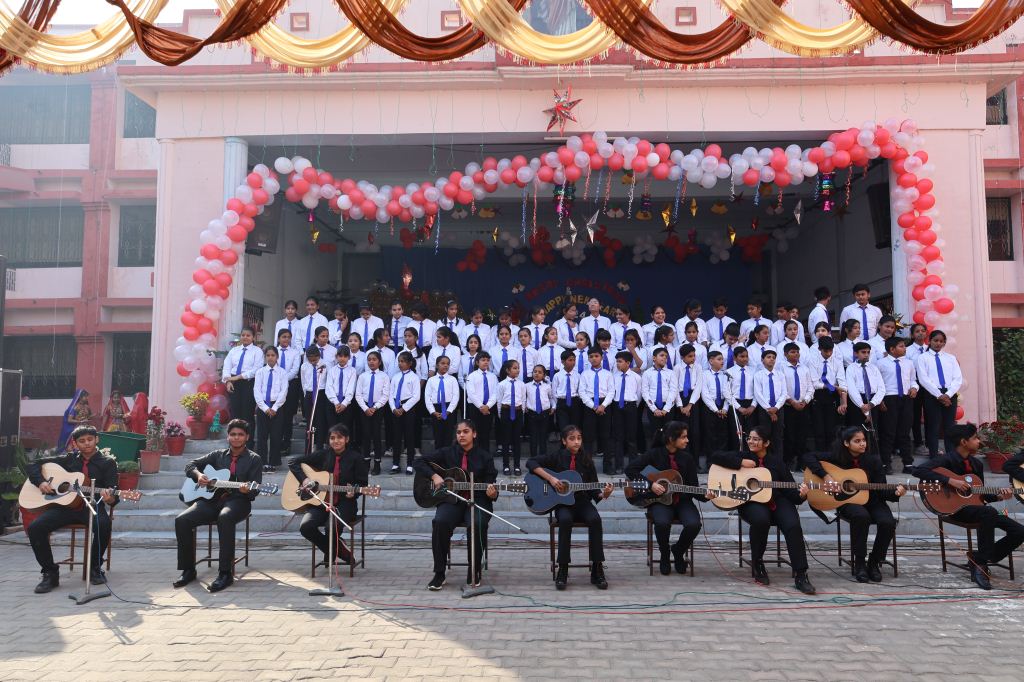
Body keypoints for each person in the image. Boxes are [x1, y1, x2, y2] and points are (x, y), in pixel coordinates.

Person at [914, 423, 1024, 589]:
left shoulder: (976, 464)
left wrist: (999, 496)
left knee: (1020, 531)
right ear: (964, 442)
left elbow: (979, 495)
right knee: (988, 512)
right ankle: (980, 566)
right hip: (954, 509)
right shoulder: (946, 460)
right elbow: (918, 471)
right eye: (975, 438)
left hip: (977, 510)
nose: (979, 441)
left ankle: (980, 557)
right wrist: (950, 481)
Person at [710, 426, 816, 594]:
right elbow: (715, 456)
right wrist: (740, 463)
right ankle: (758, 562)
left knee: (793, 525)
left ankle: (801, 574)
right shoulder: (743, 456)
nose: (751, 442)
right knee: (761, 520)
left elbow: (791, 493)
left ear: (766, 443)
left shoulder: (777, 462)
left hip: (777, 500)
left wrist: (802, 495)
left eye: (756, 439)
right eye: (749, 438)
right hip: (750, 501)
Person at [804, 426, 905, 582]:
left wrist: (896, 493)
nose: (862, 444)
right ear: (846, 443)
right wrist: (825, 476)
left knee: (888, 522)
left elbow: (882, 490)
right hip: (848, 502)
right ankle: (859, 563)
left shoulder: (873, 461)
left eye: (863, 440)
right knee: (861, 516)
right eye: (857, 441)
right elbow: (808, 456)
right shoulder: (836, 457)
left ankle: (874, 562)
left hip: (873, 501)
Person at [173, 419, 262, 592]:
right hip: (211, 500)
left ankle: (225, 573)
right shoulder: (217, 455)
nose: (236, 438)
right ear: (228, 436)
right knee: (182, 520)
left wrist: (246, 490)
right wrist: (199, 475)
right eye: (233, 434)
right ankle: (188, 570)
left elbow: (254, 491)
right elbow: (190, 465)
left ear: (247, 437)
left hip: (238, 502)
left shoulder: (254, 459)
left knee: (225, 517)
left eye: (240, 435)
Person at [26, 425, 117, 592]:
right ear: (75, 443)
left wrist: (110, 497)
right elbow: (33, 464)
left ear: (97, 439)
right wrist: (41, 482)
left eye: (90, 439)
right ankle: (50, 573)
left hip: (91, 506)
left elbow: (113, 493)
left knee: (104, 524)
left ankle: (94, 568)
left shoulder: (108, 463)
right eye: (82, 441)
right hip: (64, 507)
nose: (87, 443)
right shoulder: (69, 459)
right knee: (35, 527)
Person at [415, 419, 498, 589]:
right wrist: (434, 476)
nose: (461, 435)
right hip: (451, 500)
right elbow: (418, 462)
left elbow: (491, 486)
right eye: (459, 432)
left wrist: (493, 493)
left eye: (466, 431)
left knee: (477, 524)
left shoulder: (485, 457)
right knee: (440, 522)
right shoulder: (447, 453)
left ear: (474, 434)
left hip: (478, 500)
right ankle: (439, 573)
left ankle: (474, 570)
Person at [527, 425, 612, 590]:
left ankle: (597, 568)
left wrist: (605, 494)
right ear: (564, 441)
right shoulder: (556, 457)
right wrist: (551, 479)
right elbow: (531, 462)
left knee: (595, 519)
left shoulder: (587, 460)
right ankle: (563, 568)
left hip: (582, 502)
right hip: (562, 504)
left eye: (579, 438)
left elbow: (595, 491)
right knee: (565, 520)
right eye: (572, 438)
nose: (576, 442)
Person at [625, 421, 702, 576]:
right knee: (661, 523)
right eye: (683, 437)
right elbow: (630, 469)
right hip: (659, 500)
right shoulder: (654, 454)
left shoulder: (687, 458)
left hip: (682, 501)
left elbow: (694, 486)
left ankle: (678, 550)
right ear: (671, 439)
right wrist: (651, 484)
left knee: (694, 524)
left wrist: (707, 495)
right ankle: (664, 553)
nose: (687, 440)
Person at [289, 423, 367, 565]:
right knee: (305, 527)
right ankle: (336, 549)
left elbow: (362, 484)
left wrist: (353, 493)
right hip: (320, 502)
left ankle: (332, 550)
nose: (336, 441)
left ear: (347, 439)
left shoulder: (356, 458)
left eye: (340, 437)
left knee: (331, 526)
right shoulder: (323, 455)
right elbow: (293, 462)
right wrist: (304, 479)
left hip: (345, 503)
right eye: (332, 438)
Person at [915, 330, 963, 457]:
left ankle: (951, 455)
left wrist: (948, 394)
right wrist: (939, 395)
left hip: (949, 394)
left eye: (941, 341)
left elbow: (957, 378)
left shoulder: (951, 358)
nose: (938, 343)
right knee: (933, 425)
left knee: (949, 426)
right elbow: (923, 379)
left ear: (944, 343)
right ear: (929, 341)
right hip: (932, 394)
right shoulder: (922, 358)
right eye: (935, 340)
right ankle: (934, 456)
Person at [877, 337, 918, 473]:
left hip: (906, 399)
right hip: (889, 398)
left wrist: (914, 388)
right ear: (892, 349)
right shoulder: (880, 363)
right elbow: (877, 383)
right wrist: (880, 400)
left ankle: (908, 464)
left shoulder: (909, 363)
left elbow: (913, 380)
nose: (905, 348)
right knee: (888, 432)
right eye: (901, 346)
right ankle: (886, 463)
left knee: (904, 432)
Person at [804, 336, 848, 451]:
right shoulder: (813, 361)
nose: (828, 354)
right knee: (819, 430)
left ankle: (831, 455)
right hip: (818, 395)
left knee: (831, 429)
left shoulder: (837, 362)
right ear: (819, 349)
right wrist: (833, 387)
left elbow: (842, 382)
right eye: (826, 351)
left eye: (830, 351)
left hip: (832, 396)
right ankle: (820, 455)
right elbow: (815, 383)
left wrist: (844, 402)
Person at [222, 328, 262, 443]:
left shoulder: (257, 351)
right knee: (234, 414)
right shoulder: (234, 351)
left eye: (248, 335)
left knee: (247, 414)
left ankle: (248, 444)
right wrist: (228, 381)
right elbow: (227, 367)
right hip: (233, 383)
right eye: (243, 335)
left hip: (248, 383)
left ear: (253, 337)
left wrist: (238, 377)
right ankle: (234, 442)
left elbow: (257, 369)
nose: (245, 337)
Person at [579, 347, 614, 473]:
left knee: (606, 437)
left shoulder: (608, 374)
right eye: (591, 357)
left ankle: (607, 465)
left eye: (596, 356)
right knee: (588, 437)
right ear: (588, 359)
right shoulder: (584, 374)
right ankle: (588, 467)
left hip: (605, 405)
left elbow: (611, 391)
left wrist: (603, 406)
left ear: (602, 357)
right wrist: (594, 406)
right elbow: (582, 392)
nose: (594, 359)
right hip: (590, 406)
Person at [253, 346, 287, 472]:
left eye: (273, 355)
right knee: (262, 435)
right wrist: (265, 408)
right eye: (268, 355)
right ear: (265, 357)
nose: (270, 358)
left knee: (276, 435)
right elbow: (257, 391)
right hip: (263, 407)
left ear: (277, 357)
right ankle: (262, 462)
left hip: (277, 407)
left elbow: (284, 391)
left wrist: (275, 407)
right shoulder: (260, 372)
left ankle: (273, 462)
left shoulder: (282, 372)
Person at [355, 351, 391, 472]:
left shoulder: (384, 376)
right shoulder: (363, 376)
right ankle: (366, 461)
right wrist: (365, 408)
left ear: (379, 362)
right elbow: (358, 394)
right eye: (369, 359)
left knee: (376, 435)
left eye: (374, 359)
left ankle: (377, 462)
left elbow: (385, 395)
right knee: (365, 434)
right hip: (364, 408)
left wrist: (375, 407)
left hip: (378, 408)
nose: (371, 362)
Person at [388, 350, 422, 476]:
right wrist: (393, 408)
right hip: (396, 408)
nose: (400, 364)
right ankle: (395, 464)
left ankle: (410, 464)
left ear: (410, 363)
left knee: (409, 436)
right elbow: (391, 394)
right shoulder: (396, 377)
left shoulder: (414, 377)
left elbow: (416, 396)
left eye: (403, 361)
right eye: (399, 361)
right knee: (396, 436)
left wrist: (404, 408)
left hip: (408, 408)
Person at [781, 343, 813, 470]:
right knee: (789, 435)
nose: (796, 354)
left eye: (797, 352)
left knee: (802, 435)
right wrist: (792, 402)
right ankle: (789, 462)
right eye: (792, 352)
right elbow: (781, 388)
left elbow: (810, 388)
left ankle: (801, 462)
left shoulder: (804, 369)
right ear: (785, 354)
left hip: (803, 406)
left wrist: (805, 401)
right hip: (789, 407)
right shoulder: (781, 368)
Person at [699, 350, 737, 457]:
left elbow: (728, 393)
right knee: (710, 434)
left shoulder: (725, 374)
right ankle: (711, 460)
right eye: (719, 359)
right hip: (710, 407)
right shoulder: (704, 374)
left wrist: (725, 408)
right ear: (711, 361)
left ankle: (723, 459)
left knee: (723, 434)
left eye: (722, 359)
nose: (722, 362)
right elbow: (705, 394)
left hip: (723, 407)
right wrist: (715, 409)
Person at [609, 352, 641, 473]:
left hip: (631, 406)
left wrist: (633, 405)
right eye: (617, 361)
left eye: (620, 361)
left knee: (631, 437)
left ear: (628, 363)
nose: (618, 364)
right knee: (618, 437)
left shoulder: (636, 377)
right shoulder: (614, 376)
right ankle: (619, 466)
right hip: (617, 406)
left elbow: (639, 394)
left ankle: (633, 467)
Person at [845, 342, 885, 436]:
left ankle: (872, 446)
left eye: (868, 352)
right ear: (856, 353)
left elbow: (881, 388)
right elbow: (852, 390)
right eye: (863, 352)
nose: (866, 355)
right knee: (858, 431)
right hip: (858, 402)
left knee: (873, 431)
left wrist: (871, 404)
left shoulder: (874, 368)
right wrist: (862, 406)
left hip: (873, 401)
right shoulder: (851, 368)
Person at [496, 359, 527, 475]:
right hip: (506, 411)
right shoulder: (502, 384)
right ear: (508, 370)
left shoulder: (521, 384)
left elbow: (523, 400)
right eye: (514, 368)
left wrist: (522, 413)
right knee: (506, 440)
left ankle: (517, 466)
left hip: (518, 412)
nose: (517, 370)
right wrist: (500, 415)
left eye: (518, 368)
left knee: (516, 440)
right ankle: (506, 465)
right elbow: (499, 401)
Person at [276, 328, 303, 456]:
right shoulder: (273, 351)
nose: (286, 339)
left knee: (287, 416)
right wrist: (278, 381)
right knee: (277, 416)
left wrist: (283, 379)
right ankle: (276, 443)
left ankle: (286, 444)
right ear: (278, 338)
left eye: (288, 337)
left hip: (291, 385)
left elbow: (295, 369)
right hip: (275, 386)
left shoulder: (295, 353)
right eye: (283, 337)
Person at [752, 349, 787, 449]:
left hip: (778, 409)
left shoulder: (780, 375)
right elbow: (758, 394)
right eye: (768, 357)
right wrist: (769, 409)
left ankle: (778, 457)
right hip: (764, 409)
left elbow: (784, 393)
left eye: (773, 358)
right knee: (764, 435)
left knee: (778, 435)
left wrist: (776, 408)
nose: (771, 359)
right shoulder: (758, 375)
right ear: (762, 360)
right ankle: (766, 457)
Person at [642, 347, 677, 443]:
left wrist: (666, 409)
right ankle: (656, 452)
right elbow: (645, 392)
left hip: (668, 407)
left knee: (668, 433)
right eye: (662, 355)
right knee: (655, 434)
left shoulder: (671, 373)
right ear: (654, 358)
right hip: (653, 407)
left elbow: (673, 391)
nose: (664, 358)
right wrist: (654, 409)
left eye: (666, 356)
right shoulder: (647, 373)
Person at [906, 322, 930, 455]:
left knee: (930, 415)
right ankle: (918, 443)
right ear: (912, 335)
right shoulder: (907, 350)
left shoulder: (930, 349)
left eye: (923, 331)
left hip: (930, 386)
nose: (920, 333)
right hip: (915, 385)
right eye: (917, 331)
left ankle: (930, 443)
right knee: (915, 416)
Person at [465, 351, 498, 451]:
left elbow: (496, 393)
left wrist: (487, 406)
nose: (486, 362)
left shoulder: (493, 376)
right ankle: (475, 456)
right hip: (475, 407)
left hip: (488, 407)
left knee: (486, 433)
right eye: (483, 360)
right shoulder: (472, 376)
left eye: (487, 360)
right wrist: (481, 406)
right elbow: (471, 393)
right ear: (477, 362)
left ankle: (485, 456)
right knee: (475, 433)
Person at [425, 356, 460, 450]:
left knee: (448, 435)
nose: (445, 365)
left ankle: (448, 457)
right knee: (437, 435)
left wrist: (448, 411)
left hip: (449, 409)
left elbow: (455, 396)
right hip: (436, 409)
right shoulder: (431, 380)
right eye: (443, 363)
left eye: (448, 364)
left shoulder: (452, 379)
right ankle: (438, 456)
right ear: (437, 365)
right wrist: (433, 412)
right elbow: (427, 397)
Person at [326, 345, 358, 447]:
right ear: (336, 357)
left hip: (346, 403)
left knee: (345, 428)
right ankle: (332, 449)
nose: (342, 358)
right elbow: (329, 387)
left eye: (345, 356)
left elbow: (351, 388)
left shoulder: (352, 371)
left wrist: (344, 403)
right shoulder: (332, 370)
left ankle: (345, 449)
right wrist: (336, 402)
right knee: (332, 427)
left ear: (349, 357)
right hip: (333, 402)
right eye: (340, 356)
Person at [300, 345, 330, 452]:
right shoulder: (304, 366)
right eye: (310, 360)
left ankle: (320, 448)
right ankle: (308, 450)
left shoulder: (325, 365)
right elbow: (303, 382)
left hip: (321, 394)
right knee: (310, 422)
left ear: (319, 356)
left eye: (315, 360)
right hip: (309, 394)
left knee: (321, 421)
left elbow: (327, 381)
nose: (313, 362)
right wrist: (306, 394)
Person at [526, 364, 555, 464]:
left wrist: (553, 407)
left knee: (543, 437)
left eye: (539, 372)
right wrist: (525, 407)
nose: (537, 374)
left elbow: (551, 398)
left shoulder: (547, 386)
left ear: (544, 375)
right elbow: (524, 398)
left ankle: (543, 460)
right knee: (533, 437)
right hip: (532, 414)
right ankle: (533, 460)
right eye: (535, 372)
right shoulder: (527, 386)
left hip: (544, 414)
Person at [726, 346, 757, 437]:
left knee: (750, 432)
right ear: (735, 358)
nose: (745, 359)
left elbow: (757, 390)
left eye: (746, 356)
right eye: (742, 356)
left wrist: (753, 406)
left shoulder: (753, 371)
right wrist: (739, 407)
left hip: (751, 404)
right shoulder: (729, 372)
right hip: (735, 404)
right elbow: (727, 392)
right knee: (736, 433)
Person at [552, 349, 581, 432]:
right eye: (570, 360)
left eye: (574, 360)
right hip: (562, 403)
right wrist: (557, 403)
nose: (573, 362)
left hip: (574, 402)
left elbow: (579, 390)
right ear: (563, 362)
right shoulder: (557, 376)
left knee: (574, 426)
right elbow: (554, 392)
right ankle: (564, 440)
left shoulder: (578, 375)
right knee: (563, 426)